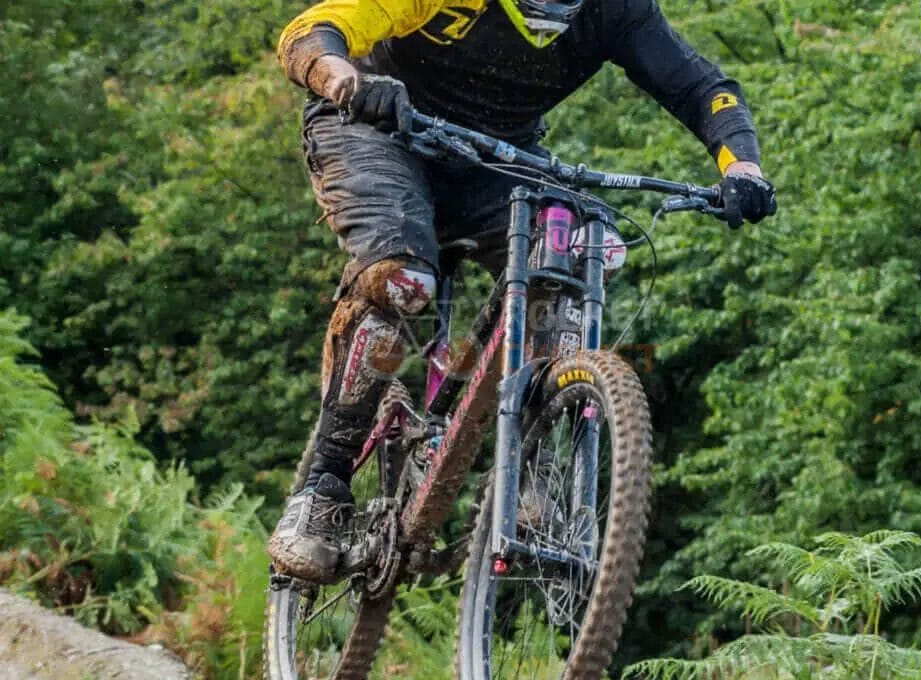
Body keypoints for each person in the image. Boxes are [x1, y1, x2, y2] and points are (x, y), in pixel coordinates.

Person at [268, 0, 778, 584]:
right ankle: (323, 486)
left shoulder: (616, 9)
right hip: (377, 130)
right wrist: (347, 79)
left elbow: (699, 86)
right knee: (402, 283)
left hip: (497, 156)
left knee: (581, 251)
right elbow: (310, 31)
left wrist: (743, 169)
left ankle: (537, 476)